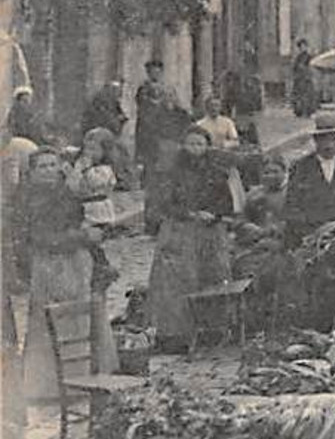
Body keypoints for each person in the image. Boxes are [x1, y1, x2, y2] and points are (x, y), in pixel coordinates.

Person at [19, 149, 118, 399]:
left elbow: (78, 219)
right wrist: (82, 236)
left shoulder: (66, 193)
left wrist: (90, 235)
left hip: (77, 263)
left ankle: (87, 376)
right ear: (31, 172)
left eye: (53, 164)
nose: (49, 170)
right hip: (50, 265)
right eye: (42, 167)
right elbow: (39, 238)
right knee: (55, 321)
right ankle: (52, 385)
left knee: (82, 319)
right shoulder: (28, 199)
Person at [145, 125, 236, 352]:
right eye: (191, 143)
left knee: (212, 277)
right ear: (183, 146)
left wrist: (214, 214)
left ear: (207, 146)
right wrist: (190, 214)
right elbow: (165, 203)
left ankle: (212, 330)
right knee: (177, 281)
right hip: (180, 231)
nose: (195, 148)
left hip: (209, 234)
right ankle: (176, 334)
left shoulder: (216, 172)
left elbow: (227, 203)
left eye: (200, 144)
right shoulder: (172, 173)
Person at [283, 112, 335, 245]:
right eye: (324, 140)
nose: (329, 146)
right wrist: (307, 232)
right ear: (316, 140)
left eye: (334, 140)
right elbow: (292, 206)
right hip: (310, 232)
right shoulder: (301, 167)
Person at [74, 126, 136, 196]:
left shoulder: (110, 169)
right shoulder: (87, 164)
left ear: (106, 149)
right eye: (86, 148)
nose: (87, 152)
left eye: (92, 149)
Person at [289, 39, 318, 118]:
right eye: (301, 47)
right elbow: (294, 68)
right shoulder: (298, 57)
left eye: (304, 46)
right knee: (299, 96)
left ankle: (307, 111)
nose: (303, 48)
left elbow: (311, 66)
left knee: (307, 96)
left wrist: (306, 70)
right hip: (299, 79)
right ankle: (299, 111)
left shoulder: (309, 57)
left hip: (306, 78)